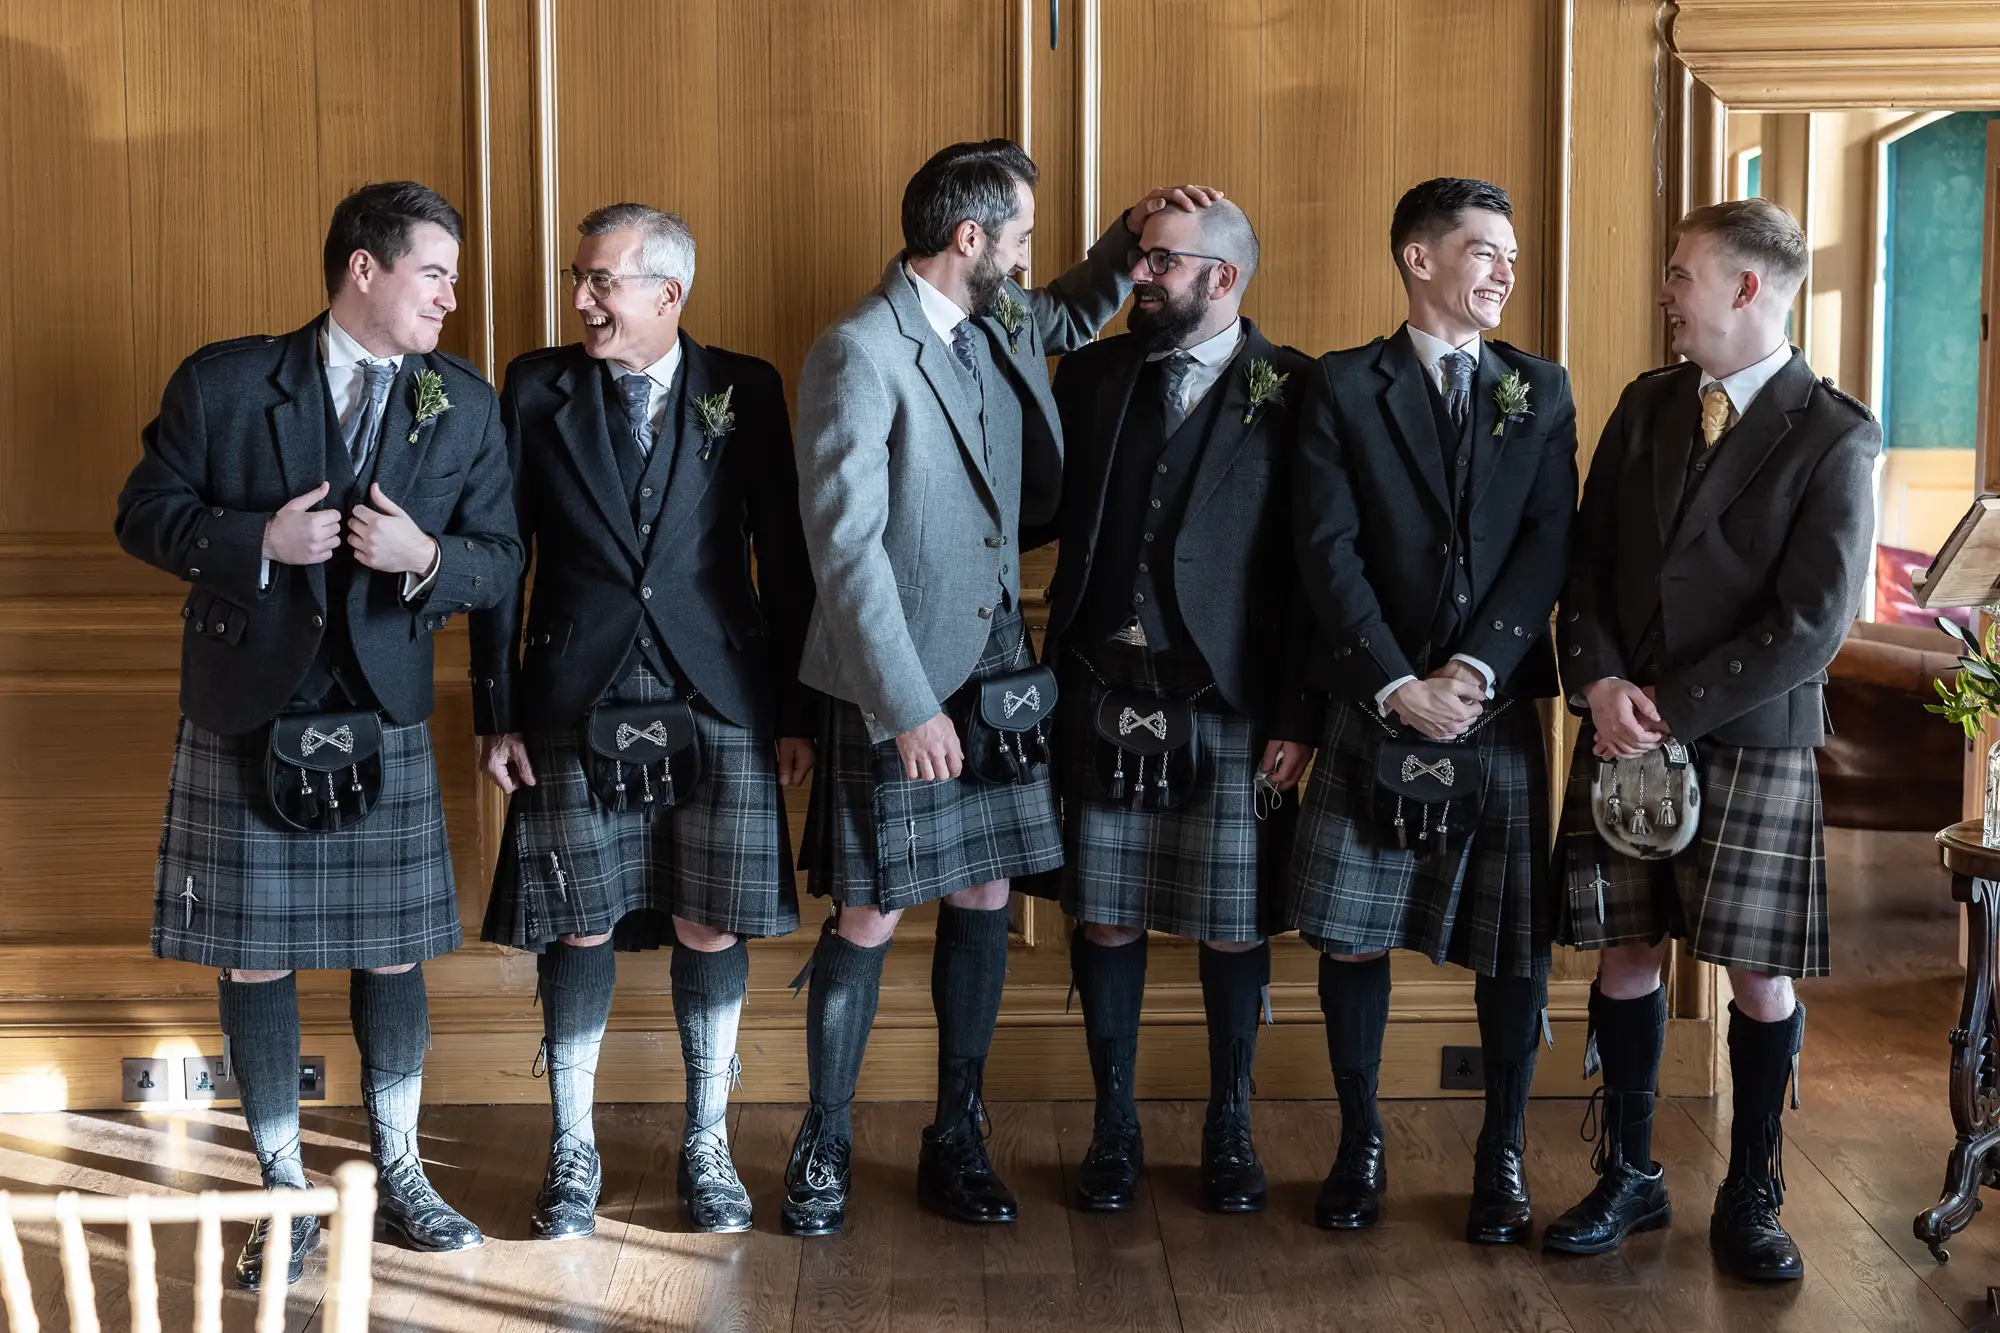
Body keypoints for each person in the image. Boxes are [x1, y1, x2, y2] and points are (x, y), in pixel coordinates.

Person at [787, 135, 1220, 1235]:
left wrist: (1128, 243)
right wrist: (904, 704)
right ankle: (823, 1144)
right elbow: (845, 553)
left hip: (996, 658)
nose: (1029, 259)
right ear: (968, 239)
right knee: (873, 908)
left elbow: (1068, 311)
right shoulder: (858, 352)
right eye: (1019, 239)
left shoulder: (1002, 318)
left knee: (983, 893)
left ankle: (955, 1136)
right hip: (899, 672)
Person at [115, 181, 520, 1286]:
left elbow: (502, 557)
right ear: (364, 270)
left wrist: (427, 560)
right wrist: (259, 538)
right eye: (434, 272)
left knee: (393, 952)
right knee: (257, 956)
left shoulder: (464, 403)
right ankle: (285, 1190)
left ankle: (398, 1173)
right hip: (250, 707)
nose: (450, 294)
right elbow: (143, 512)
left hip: (379, 711)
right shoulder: (229, 382)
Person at [1542, 197, 1878, 1283]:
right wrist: (1595, 681)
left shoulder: (1833, 431)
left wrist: (1668, 706)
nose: (1663, 293)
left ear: (1745, 287)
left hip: (1746, 732)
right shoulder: (1644, 407)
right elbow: (1583, 563)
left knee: (1756, 974)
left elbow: (1812, 620)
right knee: (1626, 949)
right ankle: (1628, 1173)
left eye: (1680, 274)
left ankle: (1753, 1191)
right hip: (1619, 725)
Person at [471, 203, 815, 1239]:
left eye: (599, 281)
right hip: (574, 693)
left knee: (709, 920)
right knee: (576, 921)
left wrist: (794, 709)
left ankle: (705, 1142)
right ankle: (569, 1147)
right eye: (578, 278)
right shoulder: (535, 388)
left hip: (720, 694)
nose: (580, 298)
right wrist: (496, 711)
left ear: (668, 294)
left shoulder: (745, 388)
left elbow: (783, 560)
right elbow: (500, 559)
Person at [1286, 177, 1577, 1244]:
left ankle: (1499, 1155)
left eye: (1507, 254)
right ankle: (1357, 1140)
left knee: (1512, 947)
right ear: (1418, 259)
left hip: (1488, 706)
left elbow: (1548, 542)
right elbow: (1323, 548)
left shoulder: (1537, 390)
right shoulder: (1338, 384)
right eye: (1482, 250)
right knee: (1351, 937)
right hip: (1377, 698)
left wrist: (1471, 669)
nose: (1503, 270)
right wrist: (1392, 683)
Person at [1032, 198, 1318, 1215]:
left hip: (1225, 697)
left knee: (1232, 927)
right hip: (1102, 686)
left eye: (1159, 263)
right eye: (1140, 260)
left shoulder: (1294, 388)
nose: (1139, 278)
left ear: (1223, 279)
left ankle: (1227, 1124)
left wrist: (1295, 715)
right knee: (1103, 917)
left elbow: (1309, 570)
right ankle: (1114, 1127)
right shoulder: (1097, 373)